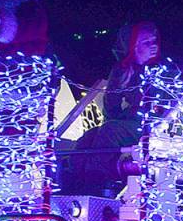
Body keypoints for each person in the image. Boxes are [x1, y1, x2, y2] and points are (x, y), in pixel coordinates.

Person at [63, 22, 161, 195]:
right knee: (89, 137)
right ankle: (74, 182)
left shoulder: (158, 71)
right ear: (134, 47)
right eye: (147, 43)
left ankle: (96, 183)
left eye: (154, 41)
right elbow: (110, 111)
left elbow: (157, 109)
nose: (153, 46)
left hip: (149, 128)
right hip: (125, 125)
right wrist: (118, 86)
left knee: (110, 131)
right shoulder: (121, 71)